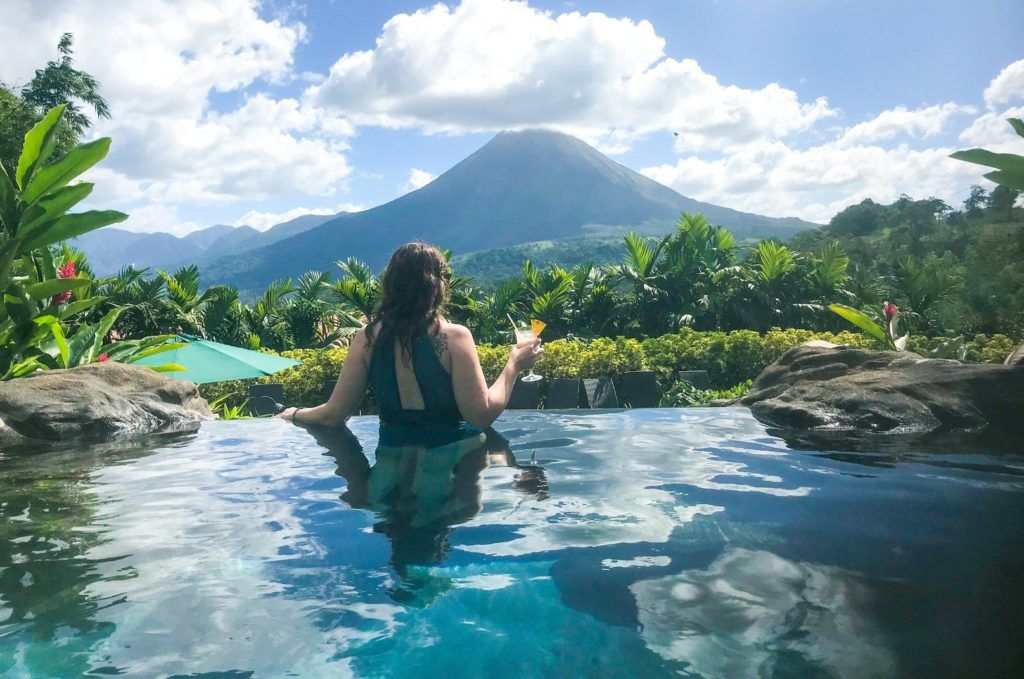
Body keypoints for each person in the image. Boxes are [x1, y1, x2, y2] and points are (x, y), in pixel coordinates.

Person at [276, 242, 542, 443]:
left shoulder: (367, 338)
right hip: (448, 476)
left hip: (389, 481)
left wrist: (295, 413)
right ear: (437, 286)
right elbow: (480, 416)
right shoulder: (454, 337)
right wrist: (514, 365)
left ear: (391, 285)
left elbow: (331, 415)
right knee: (472, 510)